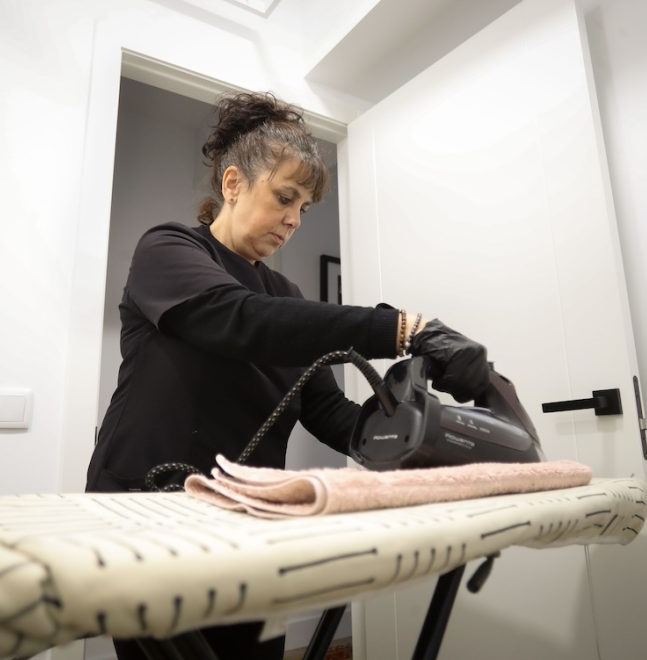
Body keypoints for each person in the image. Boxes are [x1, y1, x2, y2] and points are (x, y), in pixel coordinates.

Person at [86, 92, 489, 659]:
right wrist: (403, 330)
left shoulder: (286, 293)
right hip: (146, 507)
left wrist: (423, 444)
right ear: (233, 184)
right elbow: (241, 320)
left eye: (304, 208)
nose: (294, 221)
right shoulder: (168, 249)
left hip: (248, 514)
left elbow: (325, 410)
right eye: (284, 198)